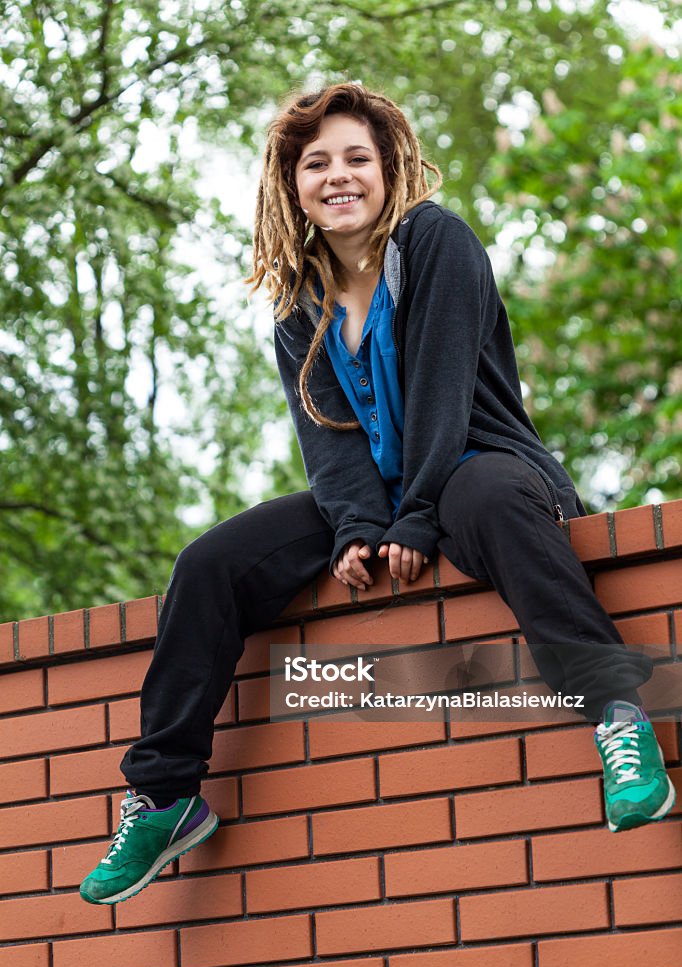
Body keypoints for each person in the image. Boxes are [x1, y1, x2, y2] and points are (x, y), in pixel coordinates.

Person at [80, 82, 675, 906]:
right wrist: (357, 528)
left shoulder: (436, 242)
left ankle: (619, 719)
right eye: (317, 163)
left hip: (480, 467)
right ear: (292, 184)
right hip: (389, 494)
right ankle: (163, 796)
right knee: (210, 563)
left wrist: (418, 516)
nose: (339, 176)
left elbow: (441, 395)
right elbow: (327, 442)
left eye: (357, 157)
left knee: (495, 500)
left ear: (390, 168)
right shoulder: (299, 303)